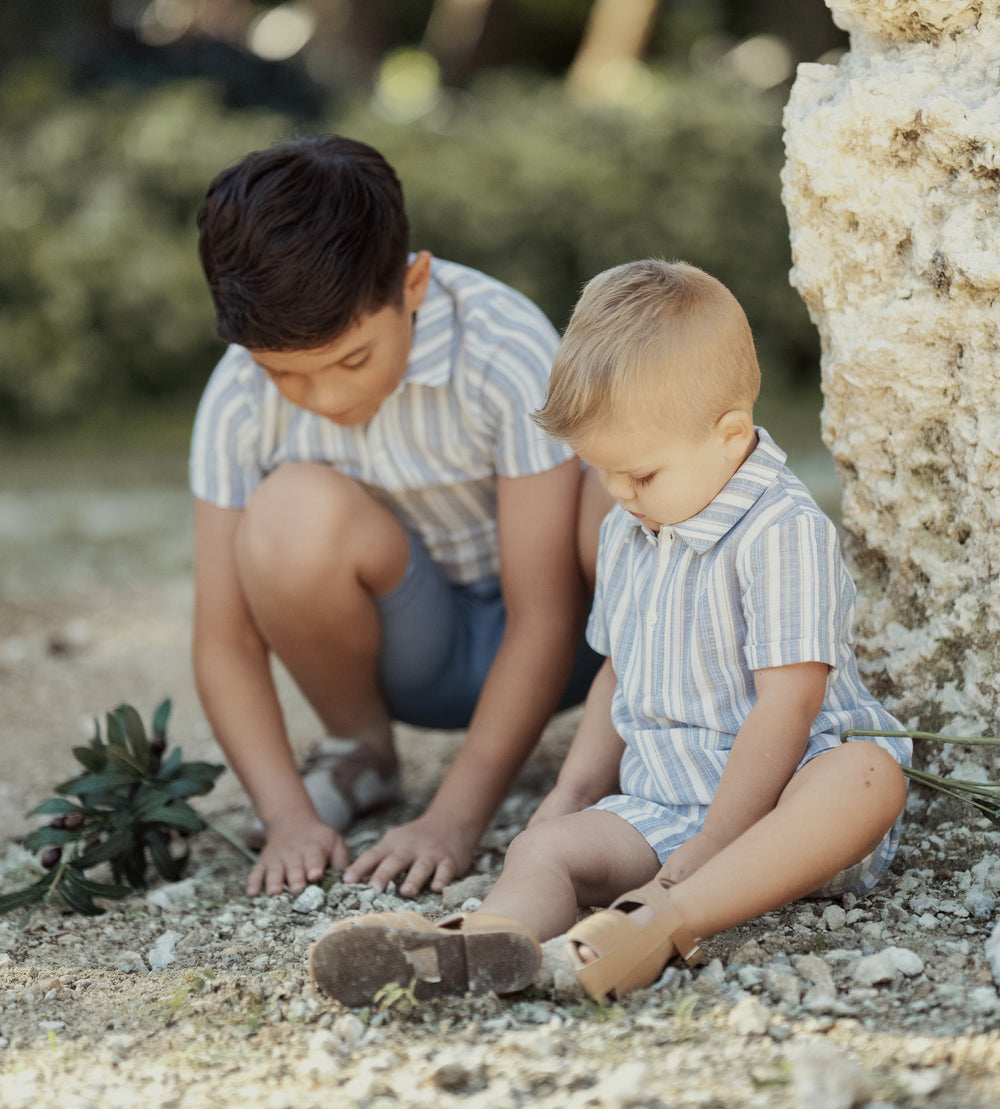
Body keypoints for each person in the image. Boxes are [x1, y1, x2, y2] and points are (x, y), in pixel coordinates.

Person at [307, 259, 911, 1006]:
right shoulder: (632, 524)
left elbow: (787, 707)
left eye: (640, 475)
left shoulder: (782, 533)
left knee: (866, 776)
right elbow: (616, 676)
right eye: (603, 473)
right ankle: (482, 944)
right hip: (664, 802)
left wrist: (717, 842)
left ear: (729, 436)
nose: (619, 494)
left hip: (782, 803)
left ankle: (659, 923)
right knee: (544, 846)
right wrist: (570, 797)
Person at [189, 135, 607, 900]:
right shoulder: (237, 398)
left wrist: (454, 819)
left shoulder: (503, 344)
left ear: (413, 284)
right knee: (288, 514)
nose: (327, 399)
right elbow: (225, 640)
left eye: (351, 361)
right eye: (285, 373)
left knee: (615, 495)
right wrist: (285, 818)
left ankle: (648, 733)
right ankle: (361, 753)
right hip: (417, 657)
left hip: (573, 639)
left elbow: (544, 615)